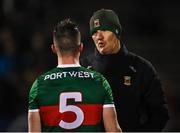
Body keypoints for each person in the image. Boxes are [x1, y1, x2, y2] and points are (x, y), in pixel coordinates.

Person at [80, 9, 169, 131]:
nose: (99, 36)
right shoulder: (82, 67)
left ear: (116, 32)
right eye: (94, 32)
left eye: (104, 30)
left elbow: (160, 114)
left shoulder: (141, 68)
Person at [28, 18, 121, 132]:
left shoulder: (39, 85)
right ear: (81, 47)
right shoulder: (99, 81)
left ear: (54, 48)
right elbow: (113, 131)